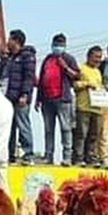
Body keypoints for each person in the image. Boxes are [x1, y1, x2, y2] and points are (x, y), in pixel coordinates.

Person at [34, 32, 79, 165]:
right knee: (48, 129)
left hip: (63, 99)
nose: (58, 47)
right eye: (56, 44)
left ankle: (67, 157)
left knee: (66, 128)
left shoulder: (69, 58)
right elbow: (42, 79)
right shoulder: (47, 59)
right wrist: (38, 99)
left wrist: (65, 67)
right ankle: (48, 156)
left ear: (64, 45)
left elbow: (77, 76)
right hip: (47, 99)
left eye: (60, 44)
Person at [1, 30, 36, 163]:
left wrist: (25, 94)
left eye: (9, 39)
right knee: (8, 127)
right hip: (8, 97)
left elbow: (29, 77)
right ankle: (9, 154)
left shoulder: (27, 56)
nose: (7, 42)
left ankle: (28, 153)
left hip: (21, 98)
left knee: (23, 125)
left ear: (16, 41)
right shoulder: (10, 57)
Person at [72, 45, 105, 166]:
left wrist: (104, 89)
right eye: (96, 57)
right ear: (88, 56)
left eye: (100, 57)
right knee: (81, 134)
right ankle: (78, 158)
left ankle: (90, 158)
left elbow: (99, 86)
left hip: (97, 108)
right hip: (83, 106)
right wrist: (86, 84)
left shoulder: (98, 71)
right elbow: (74, 85)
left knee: (94, 135)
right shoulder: (80, 67)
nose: (98, 60)